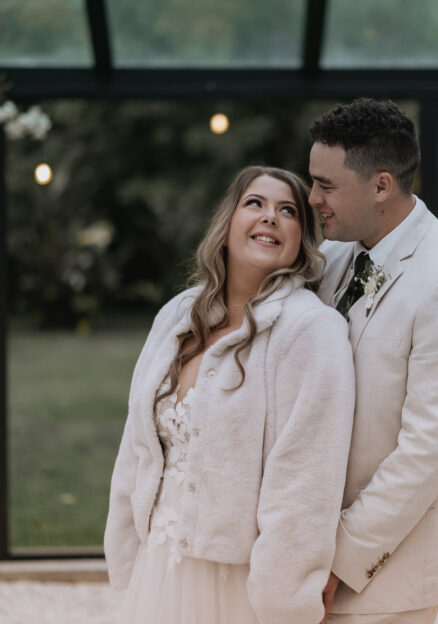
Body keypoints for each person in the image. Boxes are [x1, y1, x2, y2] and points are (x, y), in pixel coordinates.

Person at [104, 166, 355, 624]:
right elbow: (136, 446)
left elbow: (305, 477)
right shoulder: (178, 315)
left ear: (302, 237)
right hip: (157, 564)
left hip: (240, 580)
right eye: (255, 203)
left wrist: (286, 594)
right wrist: (123, 550)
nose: (270, 218)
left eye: (288, 211)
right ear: (227, 223)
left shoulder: (311, 330)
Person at [308, 98, 438, 623]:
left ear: (382, 185)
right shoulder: (339, 254)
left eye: (326, 185)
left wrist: (338, 561)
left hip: (386, 568)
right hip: (310, 547)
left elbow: (428, 451)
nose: (312, 197)